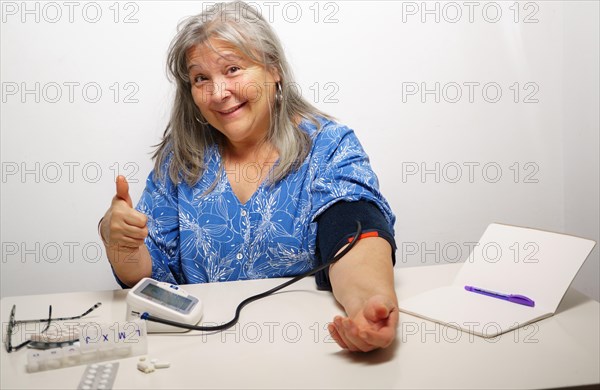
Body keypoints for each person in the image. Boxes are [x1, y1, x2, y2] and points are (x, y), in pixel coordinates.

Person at [99, 1, 398, 352]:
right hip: (201, 352)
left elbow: (354, 230)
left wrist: (369, 303)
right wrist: (119, 244)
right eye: (201, 78)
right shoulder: (179, 164)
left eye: (233, 69)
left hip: (303, 348)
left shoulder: (328, 146)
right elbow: (149, 278)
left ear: (273, 70)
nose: (219, 93)